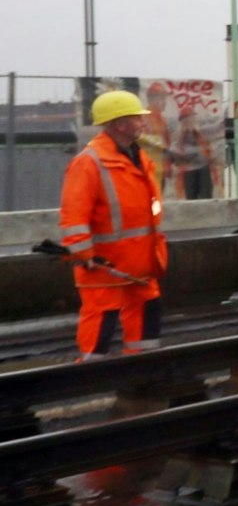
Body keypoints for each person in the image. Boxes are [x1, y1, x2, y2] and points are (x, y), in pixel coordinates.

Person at [58, 90, 168, 358]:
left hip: (140, 262)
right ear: (120, 123)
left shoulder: (138, 157)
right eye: (137, 118)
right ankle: (87, 381)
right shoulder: (89, 163)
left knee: (146, 324)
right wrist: (84, 254)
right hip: (106, 266)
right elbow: (74, 215)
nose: (143, 122)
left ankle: (140, 377)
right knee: (100, 328)